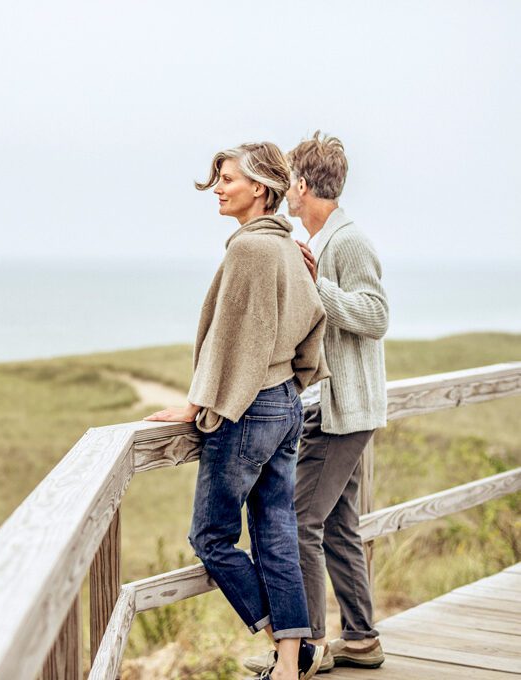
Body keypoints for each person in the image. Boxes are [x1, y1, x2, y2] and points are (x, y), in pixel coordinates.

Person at [145, 142, 328, 680]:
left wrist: (196, 405)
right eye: (219, 179)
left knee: (211, 537)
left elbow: (229, 341)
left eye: (229, 179)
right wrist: (292, 378)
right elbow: (313, 318)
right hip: (286, 403)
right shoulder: (287, 246)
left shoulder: (250, 250)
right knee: (276, 532)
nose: (219, 189)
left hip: (248, 410)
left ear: (261, 189)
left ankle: (280, 643)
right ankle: (291, 663)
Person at [244, 132, 389, 676]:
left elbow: (375, 316)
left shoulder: (347, 242)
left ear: (303, 186)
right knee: (338, 524)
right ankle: (362, 638)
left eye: (290, 182)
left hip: (342, 412)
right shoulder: (321, 240)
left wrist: (316, 283)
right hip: (332, 407)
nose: (286, 191)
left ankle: (311, 647)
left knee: (301, 520)